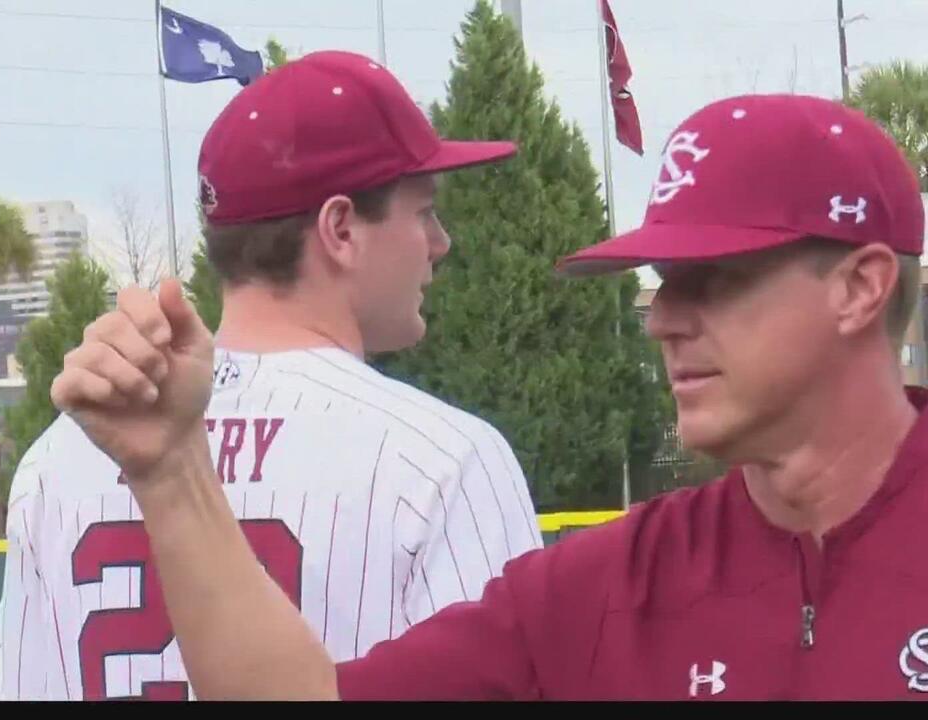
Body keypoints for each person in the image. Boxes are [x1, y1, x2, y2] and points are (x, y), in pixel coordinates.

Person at [50, 91, 928, 701]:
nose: (664, 319)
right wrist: (169, 467)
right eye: (664, 279)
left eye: (716, 280)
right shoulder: (615, 580)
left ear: (859, 288)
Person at [0, 50, 541, 701]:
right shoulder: (444, 458)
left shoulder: (62, 453)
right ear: (341, 229)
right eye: (423, 212)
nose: (440, 241)